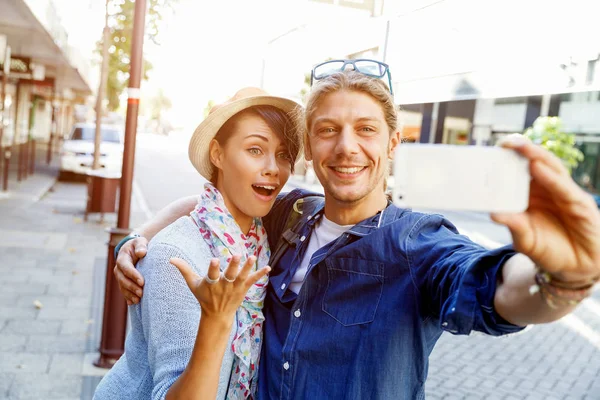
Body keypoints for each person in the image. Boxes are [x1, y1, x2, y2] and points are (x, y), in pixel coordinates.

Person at [114, 62, 600, 399]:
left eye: (366, 129)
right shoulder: (291, 215)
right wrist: (142, 236)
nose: (347, 147)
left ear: (392, 142)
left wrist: (565, 278)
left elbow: (494, 289)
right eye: (328, 130)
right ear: (311, 148)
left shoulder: (419, 243)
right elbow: (215, 203)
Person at [93, 87, 302, 400]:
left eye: (283, 154)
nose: (273, 167)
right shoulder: (175, 256)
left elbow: (201, 202)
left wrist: (140, 231)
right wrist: (215, 320)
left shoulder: (262, 239)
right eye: (255, 150)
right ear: (217, 154)